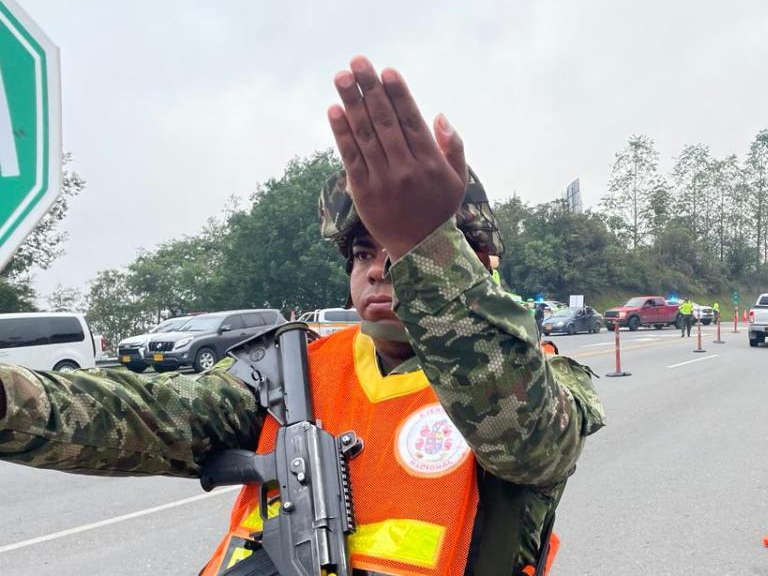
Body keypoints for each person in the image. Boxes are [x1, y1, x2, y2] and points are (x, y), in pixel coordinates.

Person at [0, 56, 605, 575]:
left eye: (396, 251)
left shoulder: (541, 385)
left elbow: (529, 445)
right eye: (364, 253)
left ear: (476, 263)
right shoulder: (292, 374)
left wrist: (425, 244)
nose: (378, 269)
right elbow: (139, 415)